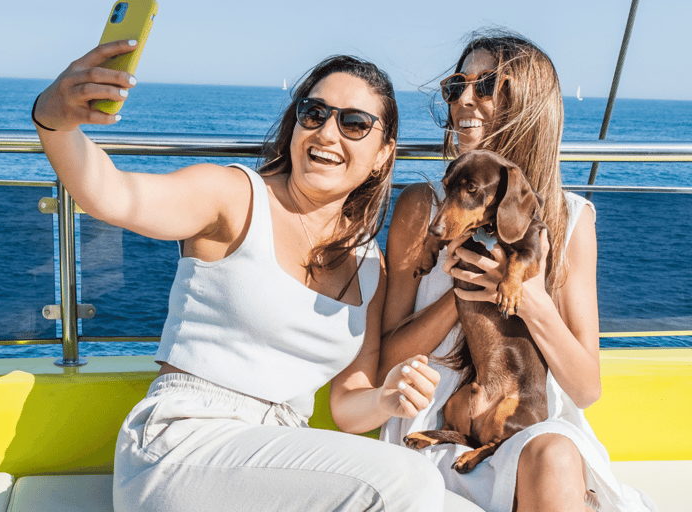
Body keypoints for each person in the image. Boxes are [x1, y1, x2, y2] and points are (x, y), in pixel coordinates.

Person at [32, 41, 467, 511]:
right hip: (182, 443)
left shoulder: (367, 263)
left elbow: (347, 404)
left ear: (384, 154)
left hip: (276, 460)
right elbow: (115, 195)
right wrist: (54, 118)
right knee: (409, 483)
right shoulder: (235, 197)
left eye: (354, 123)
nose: (326, 132)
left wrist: (387, 396)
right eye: (314, 112)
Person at [379, 30, 656, 512]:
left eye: (486, 86)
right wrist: (463, 290)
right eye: (456, 86)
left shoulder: (570, 220)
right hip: (434, 418)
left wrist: (527, 296)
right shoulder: (422, 210)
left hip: (527, 422)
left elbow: (586, 387)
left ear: (530, 105)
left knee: (553, 456)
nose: (464, 99)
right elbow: (386, 362)